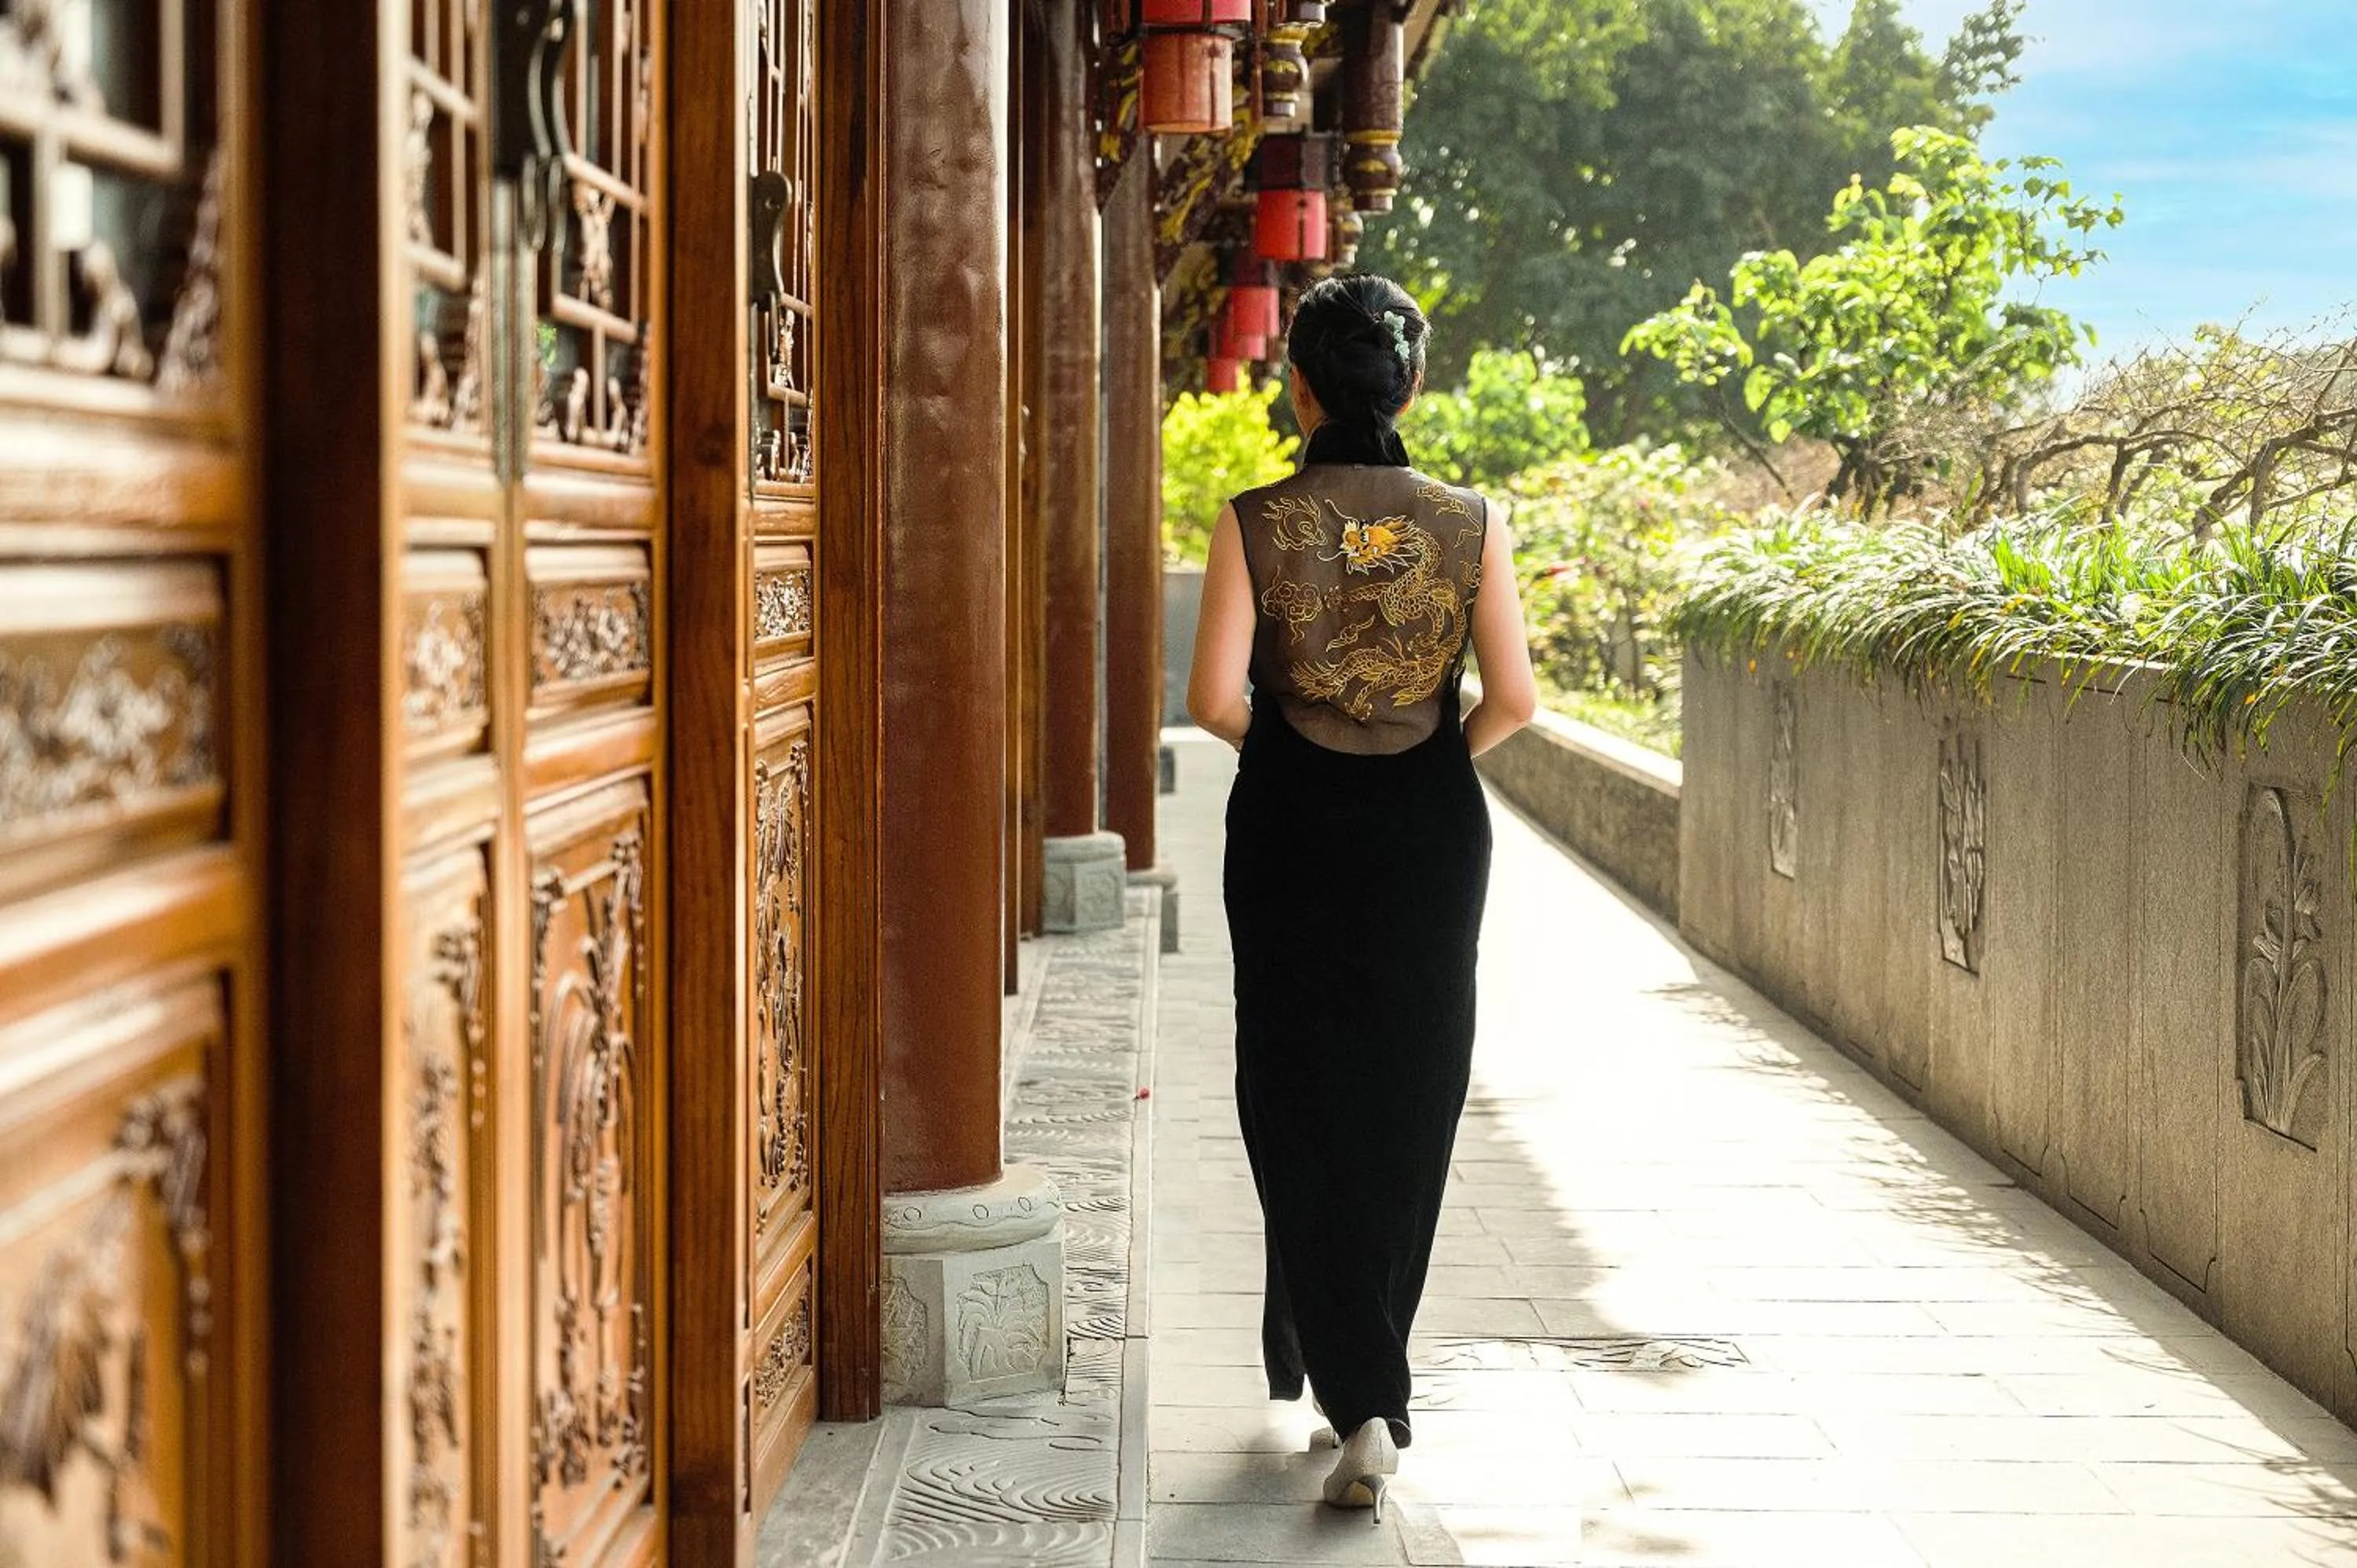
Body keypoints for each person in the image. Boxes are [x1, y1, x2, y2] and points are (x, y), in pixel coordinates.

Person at [1185, 273, 1538, 1519]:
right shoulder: (1470, 519)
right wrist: (1424, 767)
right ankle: (1366, 1385)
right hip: (1429, 836)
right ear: (1412, 385)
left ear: (1300, 387)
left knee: (1292, 1085)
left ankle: (1361, 1394)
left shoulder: (1255, 520)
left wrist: (1295, 759)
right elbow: (1514, 702)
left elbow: (1211, 701)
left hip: (1289, 824)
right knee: (1408, 1092)